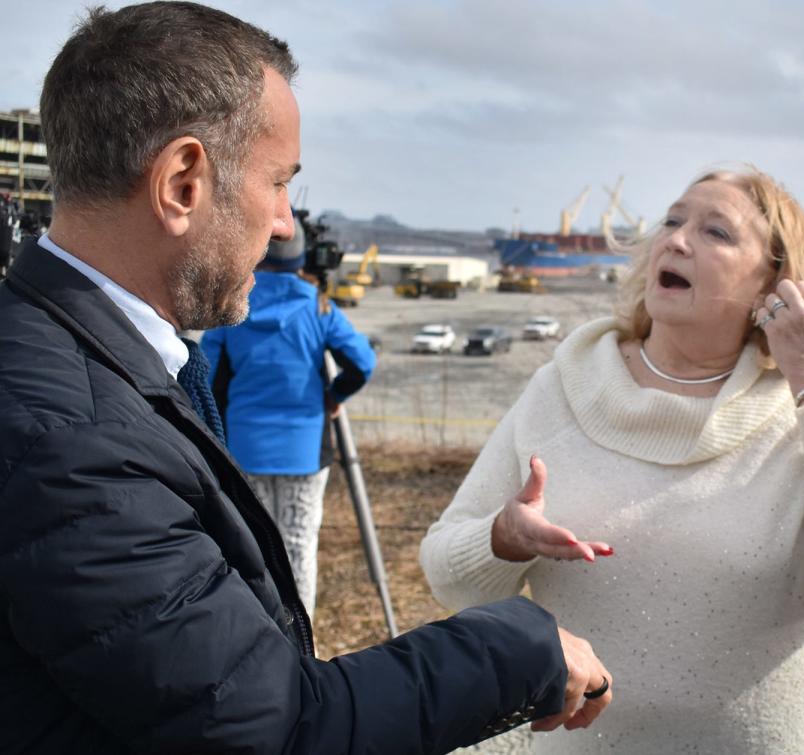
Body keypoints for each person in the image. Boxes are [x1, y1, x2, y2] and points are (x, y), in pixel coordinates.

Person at [0, 3, 612, 753]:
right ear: (183, 183)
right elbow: (280, 728)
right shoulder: (74, 440)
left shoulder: (63, 351)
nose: (287, 223)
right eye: (277, 182)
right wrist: (524, 649)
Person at [421, 166, 804, 754]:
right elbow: (449, 578)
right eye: (672, 220)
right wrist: (503, 537)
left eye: (716, 232)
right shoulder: (562, 388)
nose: (673, 239)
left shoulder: (803, 410)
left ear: (774, 284)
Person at [201, 219, 377, 621]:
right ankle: (302, 638)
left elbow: (206, 375)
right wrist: (335, 396)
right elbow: (362, 362)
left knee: (251, 544)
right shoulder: (319, 306)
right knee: (299, 544)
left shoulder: (235, 304)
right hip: (305, 449)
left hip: (244, 449)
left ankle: (259, 628)